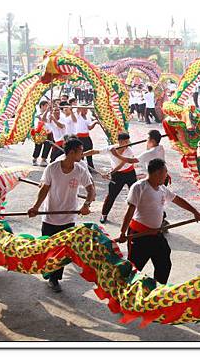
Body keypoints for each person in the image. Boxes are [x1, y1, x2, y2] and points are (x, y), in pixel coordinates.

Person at [116, 159, 200, 284]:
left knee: (164, 264)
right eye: (165, 172)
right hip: (139, 235)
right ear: (157, 173)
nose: (166, 176)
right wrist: (122, 232)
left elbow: (177, 199)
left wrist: (195, 212)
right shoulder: (139, 187)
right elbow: (130, 210)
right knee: (134, 268)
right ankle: (126, 293)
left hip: (156, 234)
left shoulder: (162, 188)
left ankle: (158, 291)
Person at [28, 137, 95, 292]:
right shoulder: (52, 168)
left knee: (63, 250)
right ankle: (48, 271)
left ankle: (54, 279)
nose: (82, 155)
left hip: (68, 217)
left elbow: (91, 190)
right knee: (49, 248)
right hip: (50, 215)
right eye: (80, 152)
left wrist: (86, 205)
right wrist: (36, 207)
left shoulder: (80, 169)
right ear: (71, 152)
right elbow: (44, 189)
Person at [99, 132, 138, 224]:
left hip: (130, 173)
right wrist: (82, 155)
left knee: (135, 194)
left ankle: (136, 216)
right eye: (125, 142)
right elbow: (95, 151)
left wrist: (109, 173)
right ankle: (104, 215)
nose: (128, 143)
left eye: (128, 141)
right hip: (117, 176)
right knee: (111, 195)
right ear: (120, 142)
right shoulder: (111, 148)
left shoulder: (129, 151)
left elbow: (121, 165)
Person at [32, 101, 52, 167]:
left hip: (48, 132)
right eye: (46, 106)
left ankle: (43, 159)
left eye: (47, 106)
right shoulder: (37, 113)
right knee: (38, 146)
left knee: (47, 146)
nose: (47, 107)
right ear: (42, 106)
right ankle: (35, 158)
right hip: (39, 132)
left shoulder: (49, 114)